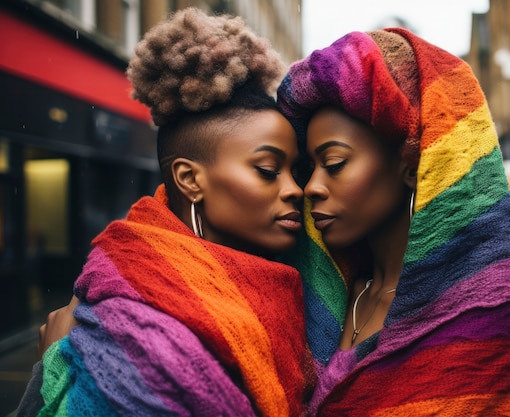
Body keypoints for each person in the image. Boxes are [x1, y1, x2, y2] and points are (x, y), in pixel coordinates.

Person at [16, 8, 315, 416]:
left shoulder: (301, 282)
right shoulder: (123, 315)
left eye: (295, 172)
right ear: (190, 179)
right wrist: (54, 372)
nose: (295, 190)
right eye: (268, 170)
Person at [277, 28, 510, 415]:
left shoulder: (503, 314)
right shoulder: (315, 298)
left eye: (335, 163)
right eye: (310, 167)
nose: (312, 188)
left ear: (412, 164)